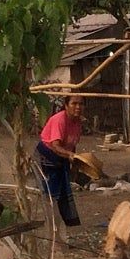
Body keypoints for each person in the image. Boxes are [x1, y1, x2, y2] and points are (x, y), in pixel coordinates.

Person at [35, 94, 84, 227]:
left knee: (63, 192)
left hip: (62, 158)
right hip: (47, 157)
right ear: (66, 105)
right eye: (74, 103)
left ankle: (61, 222)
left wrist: (74, 164)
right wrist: (71, 156)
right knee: (51, 195)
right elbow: (55, 146)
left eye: (81, 104)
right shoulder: (59, 120)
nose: (78, 107)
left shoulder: (78, 122)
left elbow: (72, 144)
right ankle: (50, 223)